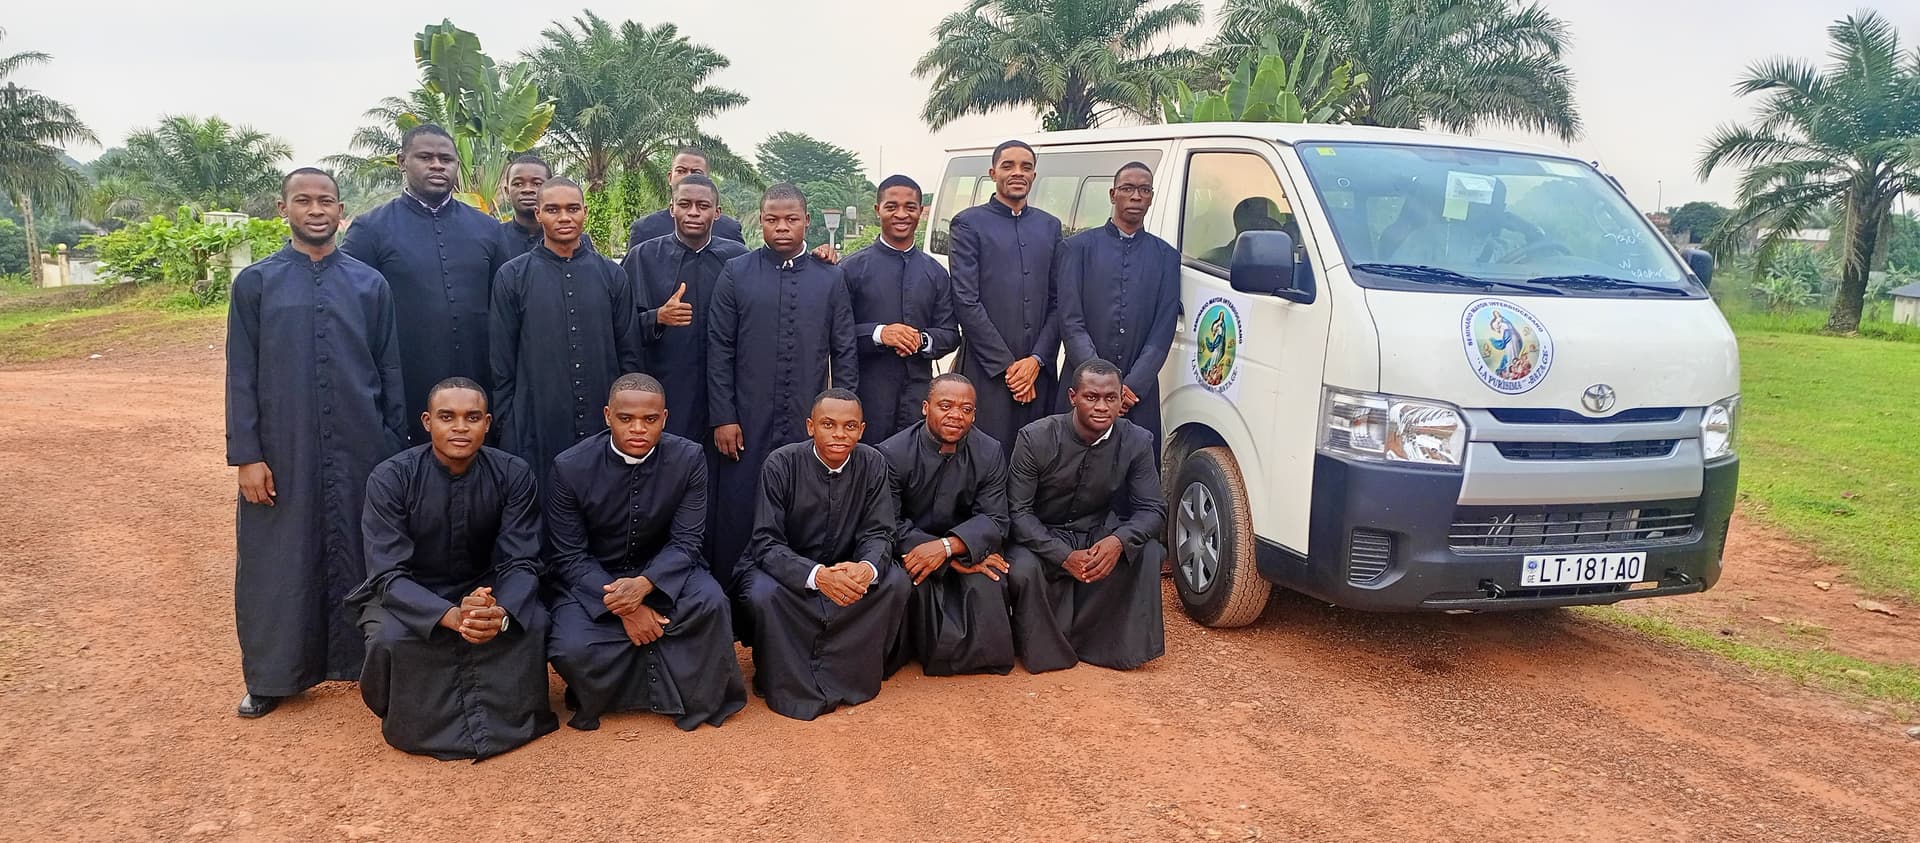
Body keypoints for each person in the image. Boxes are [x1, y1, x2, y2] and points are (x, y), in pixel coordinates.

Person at [225, 167, 408, 718]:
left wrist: (394, 450)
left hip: (360, 442)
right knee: (277, 557)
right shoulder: (256, 284)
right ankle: (274, 674)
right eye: (303, 200)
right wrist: (247, 455)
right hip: (284, 446)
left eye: (325, 200)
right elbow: (241, 376)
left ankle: (362, 662)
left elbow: (389, 370)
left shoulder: (369, 284)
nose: (315, 209)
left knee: (363, 551)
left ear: (341, 209)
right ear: (284, 210)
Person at [350, 378, 558, 760]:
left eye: (472, 417)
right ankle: (414, 722)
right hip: (410, 592)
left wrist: (499, 612)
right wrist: (447, 615)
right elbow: (387, 573)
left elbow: (522, 559)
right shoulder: (391, 478)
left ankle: (509, 718)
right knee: (390, 639)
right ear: (428, 421)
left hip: (486, 590)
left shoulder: (513, 473)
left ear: (488, 423)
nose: (460, 427)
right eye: (448, 417)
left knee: (533, 625)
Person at [544, 374, 747, 731]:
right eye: (626, 419)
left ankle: (692, 696)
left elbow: (686, 542)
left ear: (664, 418)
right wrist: (625, 605)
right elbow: (569, 557)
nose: (638, 428)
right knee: (571, 646)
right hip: (595, 581)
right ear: (608, 416)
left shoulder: (689, 458)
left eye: (650, 420)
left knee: (711, 605)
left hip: (667, 574)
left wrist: (645, 584)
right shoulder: (569, 467)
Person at [706, 183, 858, 596]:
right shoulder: (736, 272)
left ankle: (800, 590)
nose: (782, 227)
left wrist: (841, 421)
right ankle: (734, 598)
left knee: (802, 504)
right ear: (761, 221)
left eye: (791, 219)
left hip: (807, 418)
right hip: (747, 418)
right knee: (741, 503)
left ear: (806, 221)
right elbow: (719, 348)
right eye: (772, 219)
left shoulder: (830, 277)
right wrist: (724, 416)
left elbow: (844, 350)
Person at [737, 389, 909, 720]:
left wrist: (866, 568)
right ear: (810, 426)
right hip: (786, 571)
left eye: (849, 426)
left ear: (862, 429)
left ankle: (852, 675)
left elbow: (880, 531)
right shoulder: (781, 463)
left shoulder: (872, 463)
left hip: (847, 567)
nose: (839, 435)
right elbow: (766, 541)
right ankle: (781, 678)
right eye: (828, 424)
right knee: (762, 594)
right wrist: (816, 575)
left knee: (895, 582)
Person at [342, 124, 513, 442]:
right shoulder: (370, 229)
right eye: (425, 157)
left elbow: (505, 305)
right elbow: (351, 306)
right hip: (404, 376)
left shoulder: (488, 229)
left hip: (479, 372)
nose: (437, 165)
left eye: (446, 159)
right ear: (402, 161)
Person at [1005, 359, 1166, 673]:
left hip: (1096, 532)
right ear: (1072, 397)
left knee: (1146, 551)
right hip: (1041, 535)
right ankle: (1044, 648)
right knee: (1022, 568)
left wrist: (1118, 541)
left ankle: (1108, 647)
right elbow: (1017, 512)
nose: (1102, 406)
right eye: (1092, 397)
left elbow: (1152, 509)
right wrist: (1063, 556)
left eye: (1111, 398)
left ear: (1122, 400)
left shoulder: (1136, 440)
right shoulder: (1035, 438)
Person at [488, 177, 639, 493]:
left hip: (602, 420)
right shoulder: (512, 276)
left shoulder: (612, 275)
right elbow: (501, 361)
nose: (564, 217)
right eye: (553, 210)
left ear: (585, 211)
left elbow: (629, 353)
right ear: (539, 214)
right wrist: (510, 424)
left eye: (572, 209)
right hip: (536, 422)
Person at [876, 373, 1014, 677]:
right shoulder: (891, 453)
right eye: (946, 405)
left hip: (965, 547)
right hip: (909, 548)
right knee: (911, 580)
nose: (956, 416)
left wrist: (950, 548)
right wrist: (941, 557)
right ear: (926, 407)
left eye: (966, 409)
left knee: (989, 580)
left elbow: (996, 518)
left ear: (975, 415)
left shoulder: (989, 451)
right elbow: (887, 523)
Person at [948, 139, 1064, 456]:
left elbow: (1058, 302)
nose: (1017, 173)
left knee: (1035, 457)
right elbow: (966, 301)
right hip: (988, 370)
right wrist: (1009, 369)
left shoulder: (1049, 226)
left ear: (1034, 175)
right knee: (985, 457)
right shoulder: (969, 223)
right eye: (1008, 166)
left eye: (1026, 167)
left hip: (1038, 370)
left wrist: (1037, 361)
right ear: (993, 172)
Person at [1057, 162, 1182, 454]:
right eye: (1127, 188)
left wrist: (1131, 388)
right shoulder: (1077, 249)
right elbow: (1071, 321)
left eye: (1144, 190)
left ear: (1151, 196)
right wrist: (1098, 386)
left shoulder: (1166, 257)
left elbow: (1163, 330)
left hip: (1137, 394)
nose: (1136, 196)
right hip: (1082, 384)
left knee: (1135, 474)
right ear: (1113, 194)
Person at [620, 175, 748, 443]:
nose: (693, 212)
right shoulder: (642, 257)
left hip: (727, 394)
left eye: (703, 206)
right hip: (665, 391)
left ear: (717, 213)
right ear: (672, 209)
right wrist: (658, 317)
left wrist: (821, 254)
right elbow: (619, 328)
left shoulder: (739, 259)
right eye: (685, 204)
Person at [841, 174, 959, 444]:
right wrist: (880, 333)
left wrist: (922, 340)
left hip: (918, 396)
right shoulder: (852, 269)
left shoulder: (936, 273)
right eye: (892, 206)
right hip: (866, 395)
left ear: (921, 211)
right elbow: (834, 333)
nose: (901, 214)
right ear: (877, 210)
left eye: (910, 207)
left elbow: (951, 333)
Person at [628, 147, 746, 247]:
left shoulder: (729, 230)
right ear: (670, 177)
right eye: (681, 171)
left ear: (707, 180)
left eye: (696, 172)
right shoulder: (644, 229)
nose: (687, 177)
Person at [499, 154, 550, 258]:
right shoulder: (494, 238)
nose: (528, 190)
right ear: (507, 192)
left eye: (537, 184)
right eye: (518, 184)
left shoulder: (572, 240)